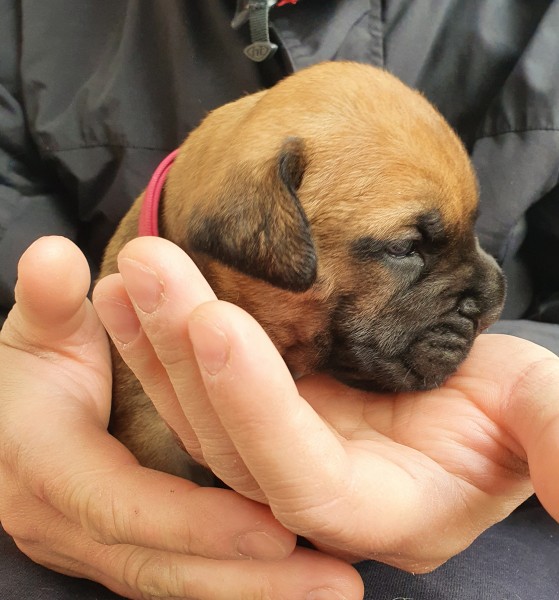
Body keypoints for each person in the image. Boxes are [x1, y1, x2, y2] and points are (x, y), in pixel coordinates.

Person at [1, 1, 559, 599]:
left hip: (476, 500)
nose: (488, 301)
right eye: (407, 248)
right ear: (261, 237)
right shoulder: (26, 22)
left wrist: (528, 372)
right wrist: (25, 388)